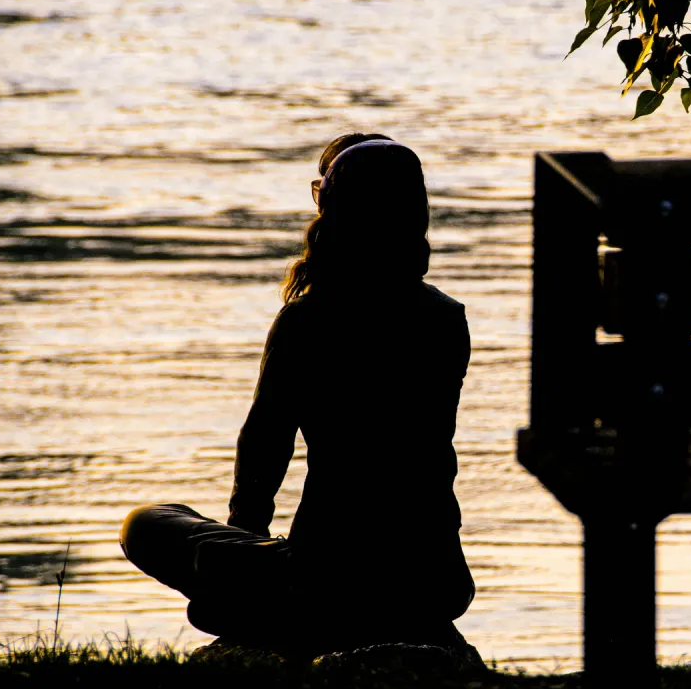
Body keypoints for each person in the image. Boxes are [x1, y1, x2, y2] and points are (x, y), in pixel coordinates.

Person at [120, 134, 475, 656]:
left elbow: (265, 440)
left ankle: (264, 602)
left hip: (326, 579)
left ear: (334, 212)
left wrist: (245, 543)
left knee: (148, 522)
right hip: (434, 580)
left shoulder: (307, 320)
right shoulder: (447, 319)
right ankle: (273, 590)